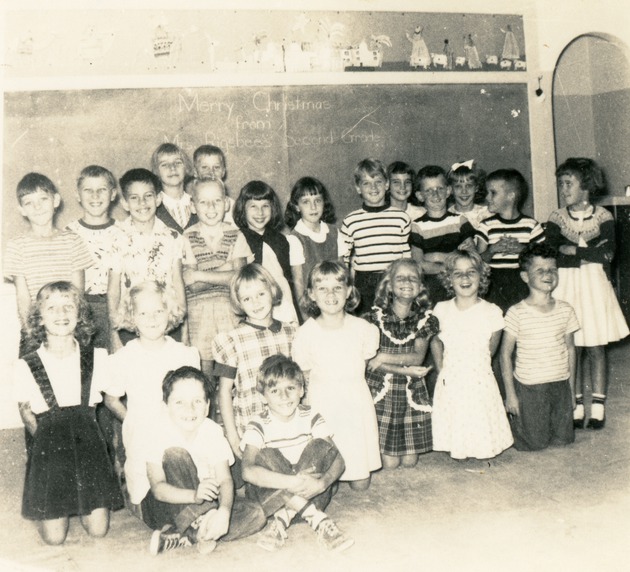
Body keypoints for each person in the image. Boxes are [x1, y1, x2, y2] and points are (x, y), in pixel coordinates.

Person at [14, 281, 122, 545]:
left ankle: (83, 503)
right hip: (50, 453)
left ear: (80, 314)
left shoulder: (97, 357)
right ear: (39, 317)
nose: (61, 314)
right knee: (54, 539)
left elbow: (112, 401)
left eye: (68, 307)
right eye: (52, 308)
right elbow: (27, 413)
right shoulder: (25, 365)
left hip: (89, 453)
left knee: (98, 531)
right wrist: (48, 447)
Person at [144, 366, 265, 556]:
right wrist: (194, 496)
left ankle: (188, 536)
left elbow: (225, 480)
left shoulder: (212, 431)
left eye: (197, 401)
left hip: (207, 504)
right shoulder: (157, 433)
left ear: (208, 406)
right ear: (165, 405)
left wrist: (224, 512)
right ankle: (203, 528)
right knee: (176, 454)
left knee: (256, 514)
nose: (189, 409)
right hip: (168, 505)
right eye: (179, 402)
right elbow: (158, 489)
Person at [545, 158, 629, 429]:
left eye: (568, 183)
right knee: (572, 346)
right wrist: (585, 253)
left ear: (587, 186)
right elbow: (552, 254)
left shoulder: (604, 217)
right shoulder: (557, 218)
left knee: (595, 345)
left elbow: (607, 254)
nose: (563, 188)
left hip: (594, 287)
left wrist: (575, 251)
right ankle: (577, 403)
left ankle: (599, 406)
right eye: (561, 184)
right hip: (567, 285)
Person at [104, 281, 200, 513]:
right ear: (132, 317)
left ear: (170, 312)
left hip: (180, 431)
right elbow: (111, 400)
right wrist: (133, 420)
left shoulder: (184, 354)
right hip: (143, 436)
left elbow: (196, 397)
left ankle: (192, 517)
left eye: (158, 311)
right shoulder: (124, 358)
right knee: (149, 494)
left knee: (185, 483)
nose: (152, 318)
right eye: (143, 313)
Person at [241, 355, 353, 553]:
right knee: (266, 455)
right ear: (262, 396)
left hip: (312, 494)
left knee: (320, 445)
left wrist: (323, 483)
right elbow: (247, 472)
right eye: (275, 390)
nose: (284, 397)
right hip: (272, 501)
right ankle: (318, 520)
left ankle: (284, 518)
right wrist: (291, 482)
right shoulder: (258, 423)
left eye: (290, 388)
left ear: (301, 390)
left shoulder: (311, 416)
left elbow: (339, 460)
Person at [292, 261, 381, 491]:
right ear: (311, 294)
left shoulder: (363, 329)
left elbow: (366, 358)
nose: (330, 294)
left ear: (349, 291)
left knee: (360, 483)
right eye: (322, 288)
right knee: (327, 478)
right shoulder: (306, 333)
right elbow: (305, 374)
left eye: (337, 288)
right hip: (324, 402)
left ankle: (356, 468)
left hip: (355, 400)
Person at [431, 250, 513, 460]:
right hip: (451, 372)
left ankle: (483, 447)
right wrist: (441, 368)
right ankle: (458, 446)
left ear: (482, 276)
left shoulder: (492, 311)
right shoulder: (441, 309)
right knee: (457, 411)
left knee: (479, 412)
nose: (465, 278)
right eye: (458, 273)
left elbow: (491, 348)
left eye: (471, 272)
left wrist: (479, 367)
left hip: (478, 373)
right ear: (449, 279)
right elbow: (435, 340)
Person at [212, 263, 297, 460]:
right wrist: (233, 437)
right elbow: (224, 391)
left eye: (261, 294)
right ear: (239, 303)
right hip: (252, 429)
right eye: (247, 298)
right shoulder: (231, 340)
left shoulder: (292, 333)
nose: (255, 303)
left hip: (289, 423)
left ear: (272, 291)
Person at [501, 243, 580, 451]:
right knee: (533, 443)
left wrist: (572, 390)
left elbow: (571, 350)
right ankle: (510, 422)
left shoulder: (566, 309)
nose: (548, 274)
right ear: (525, 276)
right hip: (530, 385)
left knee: (564, 439)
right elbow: (505, 355)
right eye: (540, 270)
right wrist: (511, 395)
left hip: (560, 383)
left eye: (553, 270)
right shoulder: (516, 312)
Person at [4, 172, 93, 356]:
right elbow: (23, 299)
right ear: (21, 209)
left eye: (43, 199)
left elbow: (77, 294)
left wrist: (69, 329)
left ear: (56, 200)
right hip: (36, 330)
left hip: (68, 327)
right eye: (29, 202)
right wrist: (33, 333)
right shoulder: (16, 245)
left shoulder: (73, 241)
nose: (37, 207)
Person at [364, 259, 438, 469]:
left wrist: (383, 357)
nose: (407, 281)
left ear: (420, 287)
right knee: (389, 463)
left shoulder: (425, 319)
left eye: (413, 278)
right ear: (389, 285)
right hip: (383, 389)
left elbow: (416, 358)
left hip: (409, 390)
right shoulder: (373, 318)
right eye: (400, 277)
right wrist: (392, 365)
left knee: (409, 462)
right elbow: (369, 360)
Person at [107, 168, 187, 351]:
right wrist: (113, 334)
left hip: (167, 323)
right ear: (125, 203)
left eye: (148, 196)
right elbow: (113, 290)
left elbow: (178, 282)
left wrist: (185, 330)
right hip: (130, 325)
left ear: (158, 199)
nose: (142, 203)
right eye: (134, 198)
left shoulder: (173, 237)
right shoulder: (116, 237)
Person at [183, 177, 253, 383]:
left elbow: (240, 278)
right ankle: (209, 406)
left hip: (230, 309)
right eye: (204, 202)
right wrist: (225, 269)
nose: (211, 207)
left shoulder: (236, 235)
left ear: (227, 204)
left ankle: (226, 400)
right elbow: (192, 285)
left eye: (217, 201)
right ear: (193, 206)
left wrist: (200, 273)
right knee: (204, 368)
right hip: (198, 313)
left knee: (228, 365)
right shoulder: (186, 237)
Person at [339, 158, 411, 314]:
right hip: (364, 283)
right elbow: (344, 260)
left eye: (378, 182)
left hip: (394, 279)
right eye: (366, 183)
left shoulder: (401, 218)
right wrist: (346, 286)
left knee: (396, 323)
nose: (373, 187)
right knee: (367, 323)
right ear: (358, 188)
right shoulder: (351, 221)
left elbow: (406, 256)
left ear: (386, 185)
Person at [66, 165, 124, 349]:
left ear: (113, 194)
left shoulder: (124, 231)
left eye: (102, 190)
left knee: (114, 365)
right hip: (82, 308)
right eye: (88, 190)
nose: (95, 196)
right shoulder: (68, 233)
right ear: (78, 195)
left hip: (116, 307)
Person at [475, 168, 544, 314]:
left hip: (522, 282)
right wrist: (493, 249)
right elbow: (478, 261)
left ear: (510, 196)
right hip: (493, 284)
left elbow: (542, 259)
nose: (487, 197)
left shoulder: (531, 225)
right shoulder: (486, 225)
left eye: (493, 193)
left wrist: (522, 250)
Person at [233, 180, 298, 323]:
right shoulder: (239, 238)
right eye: (253, 207)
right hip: (256, 304)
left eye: (265, 206)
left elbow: (288, 277)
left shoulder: (281, 239)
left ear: (273, 208)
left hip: (283, 301)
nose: (260, 212)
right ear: (242, 209)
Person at [409, 165, 476, 304]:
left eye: (440, 189)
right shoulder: (416, 226)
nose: (436, 194)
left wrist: (435, 257)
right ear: (420, 196)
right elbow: (419, 265)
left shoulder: (460, 221)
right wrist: (453, 260)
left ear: (448, 191)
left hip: (458, 285)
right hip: (430, 288)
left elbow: (471, 259)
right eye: (429, 191)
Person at [284, 176, 339, 307]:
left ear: (324, 203)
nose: (313, 207)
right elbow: (299, 283)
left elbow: (343, 272)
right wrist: (306, 317)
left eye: (317, 200)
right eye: (306, 202)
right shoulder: (295, 239)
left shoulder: (334, 233)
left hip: (336, 302)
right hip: (313, 307)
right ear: (296, 206)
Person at [151, 142, 197, 234]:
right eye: (164, 164)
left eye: (178, 162)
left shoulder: (198, 202)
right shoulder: (152, 206)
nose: (172, 168)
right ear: (156, 171)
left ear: (186, 167)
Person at [192, 144, 235, 226]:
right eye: (204, 167)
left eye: (216, 167)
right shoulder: (191, 205)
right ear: (195, 172)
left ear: (223, 172)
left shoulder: (233, 207)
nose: (211, 172)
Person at [446, 160, 490, 230]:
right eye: (458, 186)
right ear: (450, 190)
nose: (464, 191)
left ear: (476, 188)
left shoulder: (486, 214)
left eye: (468, 185)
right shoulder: (446, 217)